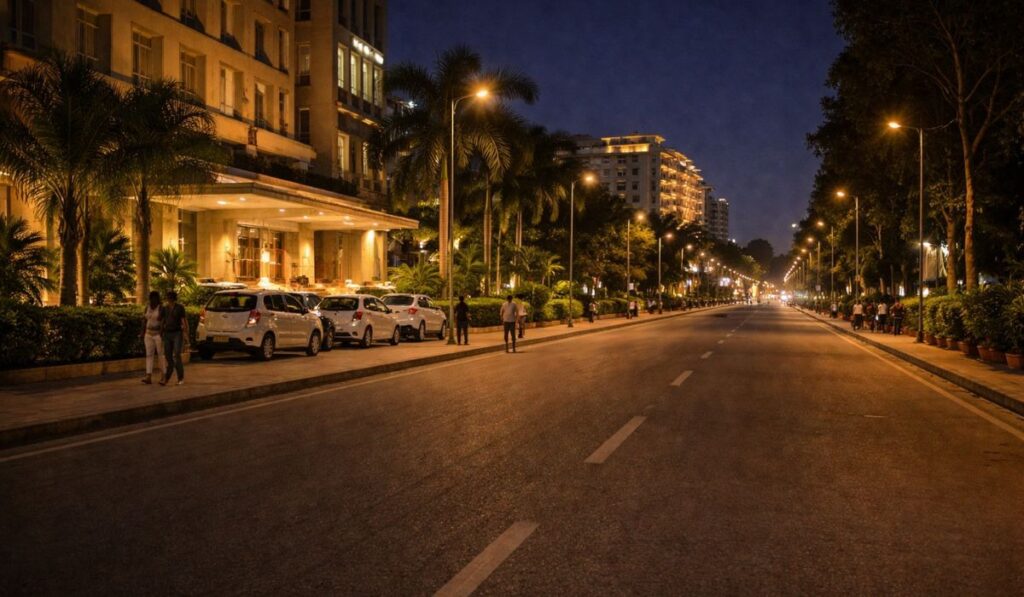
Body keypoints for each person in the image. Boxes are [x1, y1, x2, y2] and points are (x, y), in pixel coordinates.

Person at [160, 290, 189, 386]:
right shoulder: (165, 308)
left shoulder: (179, 307)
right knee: (168, 355)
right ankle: (168, 375)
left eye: (170, 297)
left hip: (177, 333)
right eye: (168, 297)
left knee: (176, 354)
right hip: (167, 333)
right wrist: (161, 332)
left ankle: (180, 378)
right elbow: (163, 321)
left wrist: (185, 333)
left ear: (173, 298)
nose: (169, 299)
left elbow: (183, 320)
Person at [141, 291, 165, 385]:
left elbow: (163, 321)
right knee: (149, 355)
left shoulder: (161, 308)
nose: (152, 300)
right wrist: (142, 332)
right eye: (151, 298)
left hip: (158, 334)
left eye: (154, 298)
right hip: (148, 334)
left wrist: (161, 333)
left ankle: (163, 375)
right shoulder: (147, 307)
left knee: (160, 355)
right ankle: (148, 376)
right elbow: (144, 320)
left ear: (158, 299)